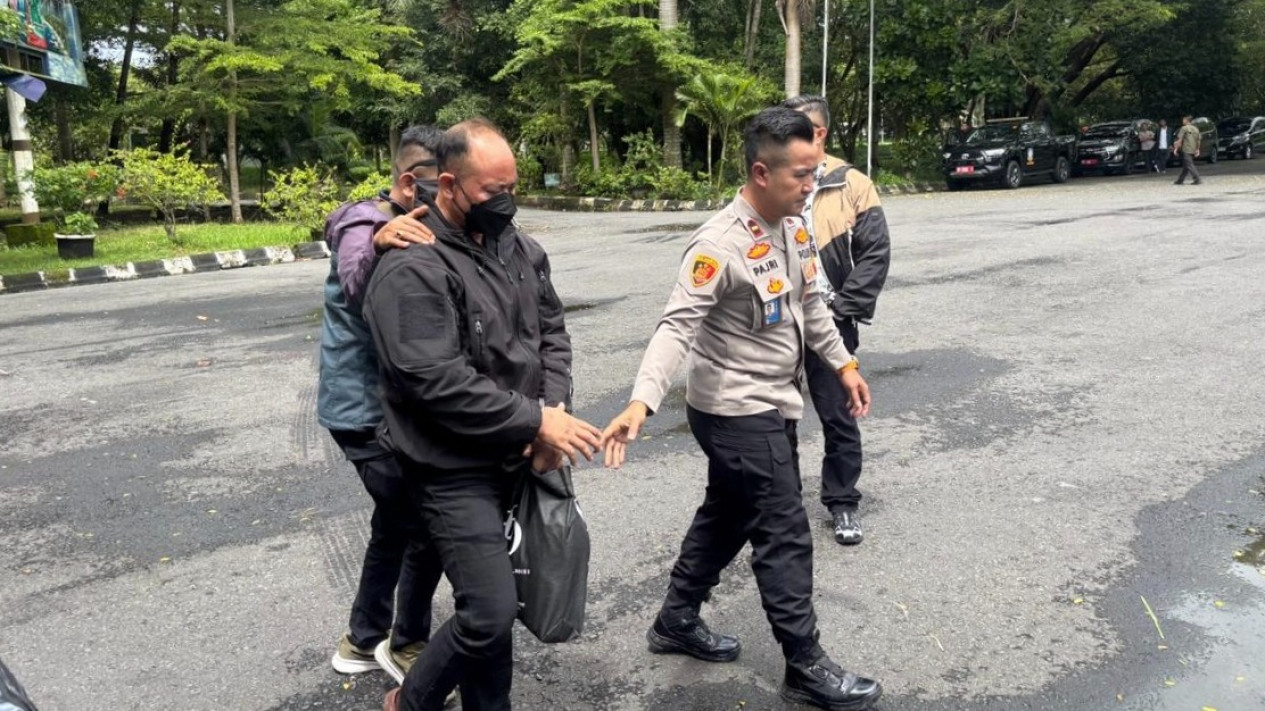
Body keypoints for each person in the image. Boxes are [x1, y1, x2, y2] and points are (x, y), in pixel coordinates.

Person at [602, 107, 883, 711]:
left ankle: (676, 618)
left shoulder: (794, 227)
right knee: (783, 527)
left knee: (729, 511)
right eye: (801, 175)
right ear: (761, 173)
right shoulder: (717, 245)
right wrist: (641, 401)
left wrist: (845, 365)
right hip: (733, 410)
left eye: (815, 172)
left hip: (774, 401)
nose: (811, 185)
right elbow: (677, 326)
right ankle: (805, 664)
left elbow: (811, 308)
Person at [364, 118, 603, 711]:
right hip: (450, 466)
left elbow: (551, 334)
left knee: (497, 602)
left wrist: (551, 413)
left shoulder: (519, 248)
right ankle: (409, 702)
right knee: (490, 612)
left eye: (512, 187)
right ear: (448, 184)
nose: (507, 202)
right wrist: (535, 421)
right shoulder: (414, 261)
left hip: (515, 454)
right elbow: (432, 379)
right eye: (494, 191)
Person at [320, 125, 446, 682]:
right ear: (410, 182)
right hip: (361, 412)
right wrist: (377, 243)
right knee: (422, 520)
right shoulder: (362, 222)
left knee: (394, 522)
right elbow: (354, 278)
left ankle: (362, 638)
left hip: (397, 407)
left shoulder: (427, 223)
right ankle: (406, 644)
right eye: (441, 183)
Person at [784, 94, 890, 546]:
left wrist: (844, 309)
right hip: (780, 321)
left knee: (838, 414)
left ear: (820, 133)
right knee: (777, 416)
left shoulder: (852, 183)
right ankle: (783, 503)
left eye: (794, 128)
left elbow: (875, 252)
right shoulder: (777, 177)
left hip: (831, 319)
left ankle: (843, 500)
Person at [1173, 115, 1203, 185]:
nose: (1182, 121)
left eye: (1183, 120)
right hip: (1193, 148)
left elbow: (1180, 139)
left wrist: (1176, 149)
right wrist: (1197, 149)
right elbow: (1198, 140)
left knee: (1189, 165)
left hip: (1186, 149)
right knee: (1186, 166)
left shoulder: (1184, 128)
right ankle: (1180, 180)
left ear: (1186, 120)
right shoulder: (1196, 129)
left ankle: (1197, 179)